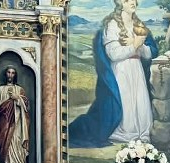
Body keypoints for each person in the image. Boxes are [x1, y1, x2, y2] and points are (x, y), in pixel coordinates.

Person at [67, 0, 159, 147]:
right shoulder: (112, 25)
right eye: (127, 0)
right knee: (126, 100)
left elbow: (149, 54)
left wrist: (139, 46)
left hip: (136, 68)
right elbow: (114, 54)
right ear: (120, 3)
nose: (133, 2)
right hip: (121, 69)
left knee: (140, 100)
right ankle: (126, 133)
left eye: (134, 0)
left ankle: (141, 133)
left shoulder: (139, 25)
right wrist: (134, 45)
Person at [0, 66, 31, 163]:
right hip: (5, 121)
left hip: (17, 122)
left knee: (16, 141)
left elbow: (27, 106)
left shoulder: (19, 89)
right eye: (8, 72)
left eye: (13, 73)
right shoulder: (1, 89)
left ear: (15, 75)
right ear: (5, 74)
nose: (10, 75)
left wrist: (17, 98)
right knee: (7, 142)